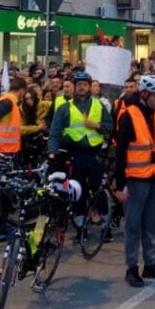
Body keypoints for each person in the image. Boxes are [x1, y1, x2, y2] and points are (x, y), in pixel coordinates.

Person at [115, 75, 155, 287]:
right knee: (133, 226)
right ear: (144, 94)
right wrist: (120, 184)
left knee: (150, 224)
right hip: (134, 181)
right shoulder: (128, 116)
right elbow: (120, 152)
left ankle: (150, 263)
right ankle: (131, 268)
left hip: (153, 178)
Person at [48, 71, 112, 240]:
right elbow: (54, 132)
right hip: (75, 156)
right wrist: (52, 152)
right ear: (74, 87)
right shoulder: (64, 108)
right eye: (79, 84)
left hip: (95, 156)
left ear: (90, 86)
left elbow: (110, 127)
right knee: (78, 194)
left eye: (85, 84)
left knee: (99, 192)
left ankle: (106, 228)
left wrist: (96, 125)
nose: (82, 87)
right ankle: (80, 229)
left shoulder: (99, 106)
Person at [20, 87, 51, 168]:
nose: (29, 101)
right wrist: (38, 128)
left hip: (45, 137)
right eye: (26, 99)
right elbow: (21, 128)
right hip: (29, 139)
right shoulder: (22, 109)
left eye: (31, 98)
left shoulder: (45, 105)